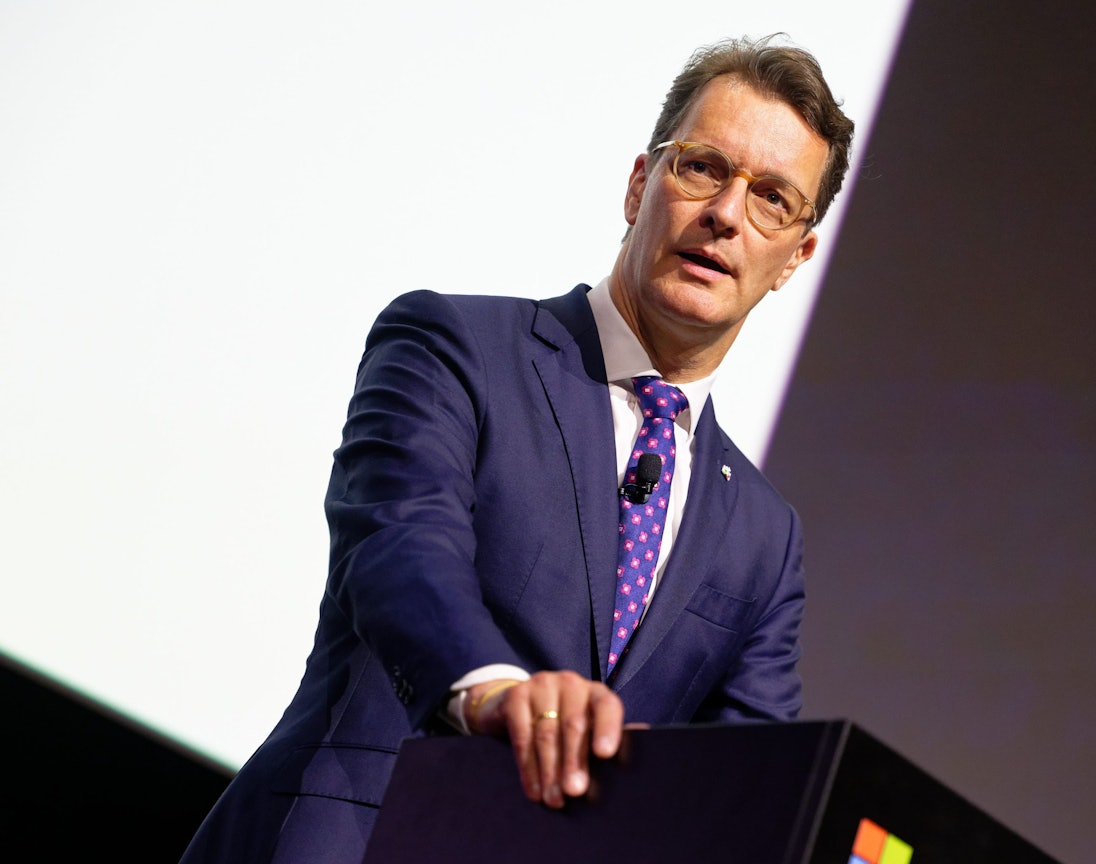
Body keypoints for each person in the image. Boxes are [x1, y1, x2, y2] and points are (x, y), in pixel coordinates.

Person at [180, 35, 854, 864]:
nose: (725, 214)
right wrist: (497, 695)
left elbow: (741, 785)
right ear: (641, 182)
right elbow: (398, 550)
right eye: (704, 168)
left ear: (796, 256)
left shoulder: (764, 538)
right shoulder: (455, 344)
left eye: (772, 200)